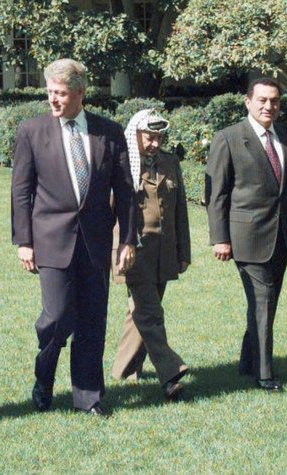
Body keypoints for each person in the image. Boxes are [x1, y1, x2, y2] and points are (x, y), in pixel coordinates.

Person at [11, 58, 137, 415]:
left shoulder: (108, 132)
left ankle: (88, 397)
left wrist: (127, 239)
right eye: (50, 92)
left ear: (80, 94)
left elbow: (125, 191)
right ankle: (44, 376)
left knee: (92, 320)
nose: (53, 100)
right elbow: (21, 192)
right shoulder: (32, 132)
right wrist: (24, 241)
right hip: (50, 240)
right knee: (57, 317)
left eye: (61, 94)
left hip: (95, 241)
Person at [205, 77, 287, 392]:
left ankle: (248, 362)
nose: (268, 106)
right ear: (248, 102)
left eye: (273, 100)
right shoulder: (229, 138)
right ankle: (264, 375)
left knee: (266, 304)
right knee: (262, 301)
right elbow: (216, 194)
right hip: (246, 237)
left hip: (283, 237)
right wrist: (219, 238)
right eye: (261, 100)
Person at [111, 109, 191, 401]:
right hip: (133, 251)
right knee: (150, 313)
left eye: (159, 137)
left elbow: (180, 209)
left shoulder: (170, 162)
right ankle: (171, 373)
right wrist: (120, 247)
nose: (155, 143)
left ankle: (123, 371)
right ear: (135, 135)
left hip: (164, 252)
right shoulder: (120, 164)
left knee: (141, 314)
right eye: (150, 137)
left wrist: (184, 251)